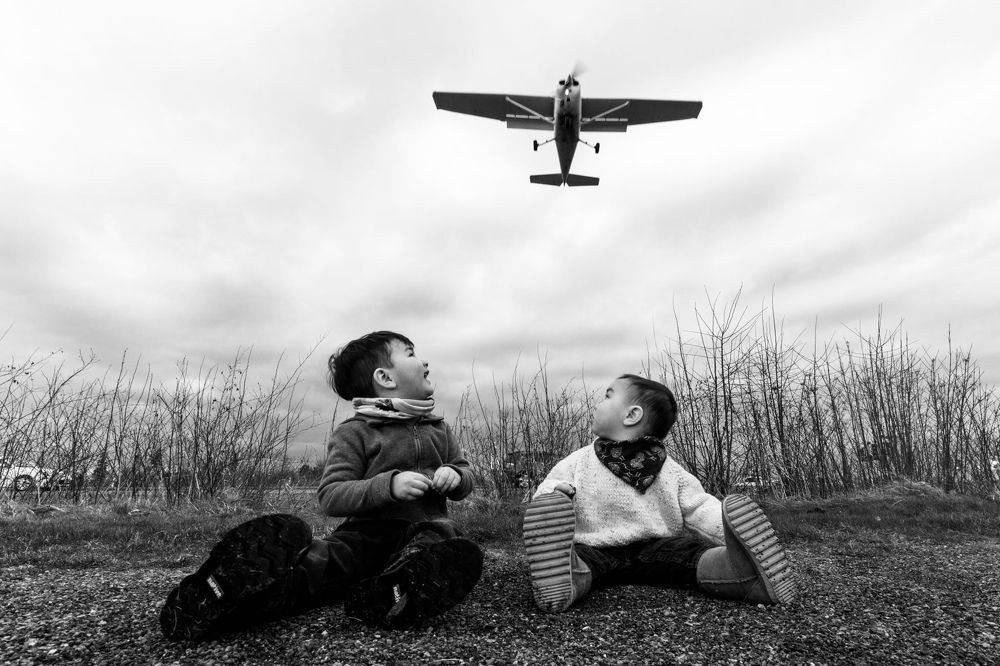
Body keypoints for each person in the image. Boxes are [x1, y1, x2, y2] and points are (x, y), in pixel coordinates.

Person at [160, 331, 483, 640]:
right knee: (319, 566)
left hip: (419, 534)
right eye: (412, 354)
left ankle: (395, 589)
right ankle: (227, 594)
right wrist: (389, 486)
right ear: (385, 378)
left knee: (441, 535)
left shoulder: (437, 428)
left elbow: (465, 474)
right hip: (364, 537)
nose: (424, 362)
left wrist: (455, 477)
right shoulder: (356, 432)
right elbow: (332, 495)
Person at [522, 374, 796, 613]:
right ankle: (565, 579)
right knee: (581, 560)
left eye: (608, 396)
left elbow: (698, 507)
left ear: (631, 415)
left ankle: (739, 572)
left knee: (691, 553)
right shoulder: (579, 461)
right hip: (595, 547)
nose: (598, 403)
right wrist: (554, 495)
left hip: (656, 549)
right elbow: (549, 487)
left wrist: (730, 531)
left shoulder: (669, 470)